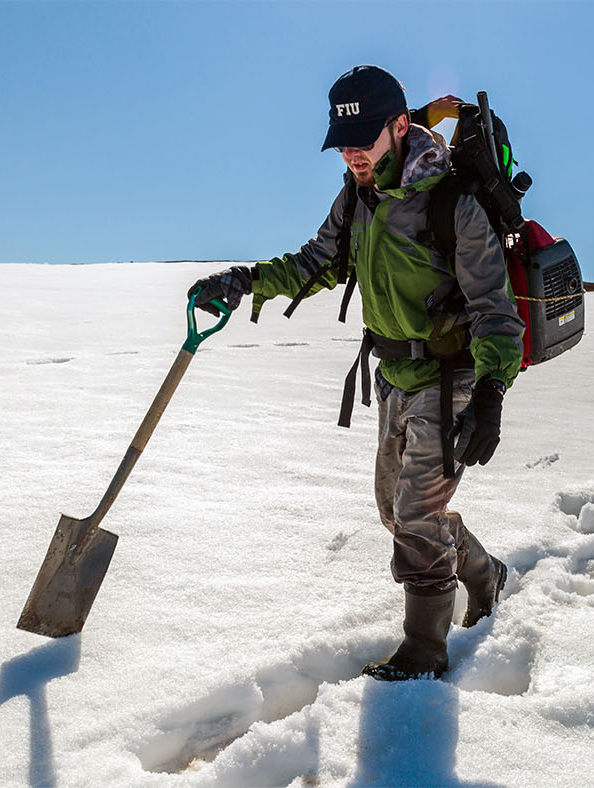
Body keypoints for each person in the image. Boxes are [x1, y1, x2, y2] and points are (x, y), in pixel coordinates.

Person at [186, 65, 522, 682]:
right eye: (343, 143)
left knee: (417, 517)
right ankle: (485, 571)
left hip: (450, 379)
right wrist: (243, 281)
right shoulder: (357, 197)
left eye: (364, 139)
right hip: (394, 375)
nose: (352, 153)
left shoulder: (453, 204)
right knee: (396, 511)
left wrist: (493, 392)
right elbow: (316, 262)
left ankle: (424, 653)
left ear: (400, 126)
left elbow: (495, 313)